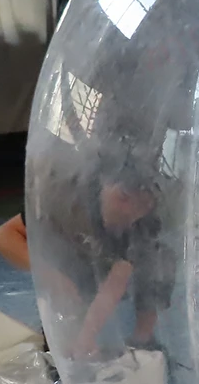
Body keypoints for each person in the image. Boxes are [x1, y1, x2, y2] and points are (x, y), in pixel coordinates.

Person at [25, 153, 176, 358]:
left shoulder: (141, 219)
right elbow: (3, 237)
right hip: (71, 252)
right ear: (121, 196)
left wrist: (87, 337)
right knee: (65, 264)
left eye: (146, 208)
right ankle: (64, 325)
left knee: (159, 258)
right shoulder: (64, 196)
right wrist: (51, 275)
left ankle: (143, 339)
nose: (135, 219)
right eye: (135, 211)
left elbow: (117, 280)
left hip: (101, 256)